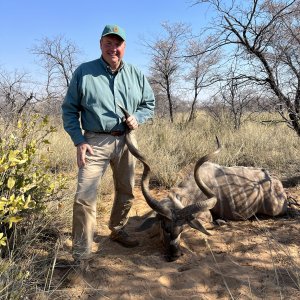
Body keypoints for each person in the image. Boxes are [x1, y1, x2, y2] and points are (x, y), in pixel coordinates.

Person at [61, 24, 155, 262]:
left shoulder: (135, 73)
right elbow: (69, 110)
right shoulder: (84, 72)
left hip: (127, 140)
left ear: (124, 47)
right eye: (108, 43)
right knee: (84, 196)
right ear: (101, 45)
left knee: (126, 190)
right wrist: (79, 141)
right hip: (94, 141)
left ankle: (117, 229)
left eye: (118, 44)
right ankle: (81, 254)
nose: (113, 48)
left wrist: (138, 117)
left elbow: (149, 104)